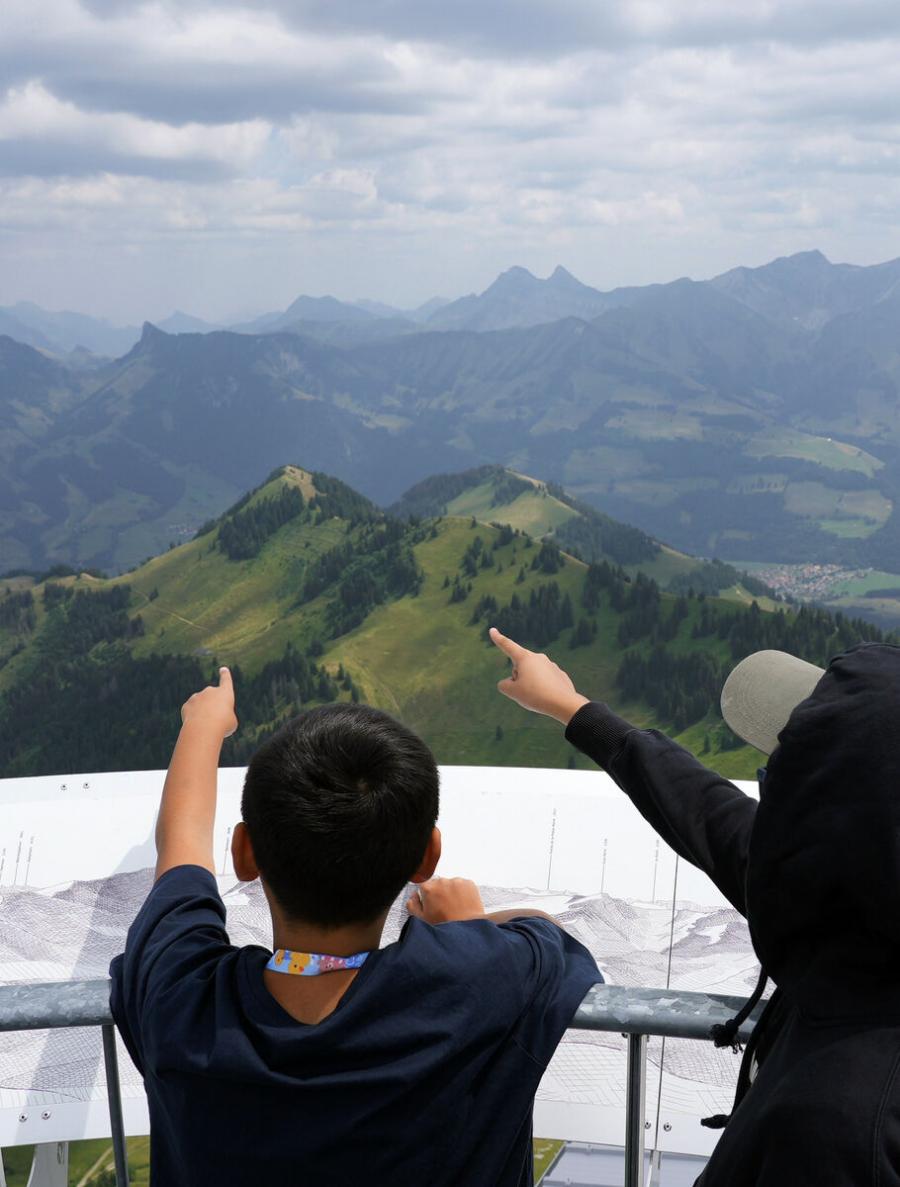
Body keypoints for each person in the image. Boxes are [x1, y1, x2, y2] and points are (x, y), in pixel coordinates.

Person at [110, 668, 602, 1187]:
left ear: (245, 852)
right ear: (428, 855)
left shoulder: (181, 1000)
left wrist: (204, 724)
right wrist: (469, 925)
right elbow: (545, 930)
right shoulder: (478, 984)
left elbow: (181, 847)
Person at [490, 625, 900, 1185]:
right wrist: (574, 709)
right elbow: (711, 816)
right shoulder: (856, 904)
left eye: (796, 768)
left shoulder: (837, 1128)